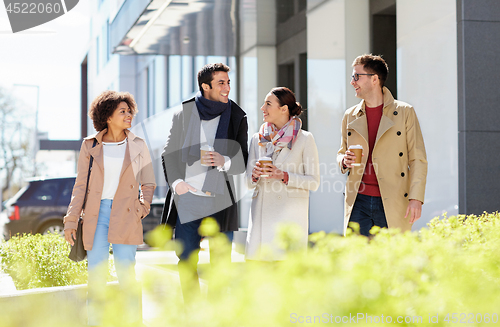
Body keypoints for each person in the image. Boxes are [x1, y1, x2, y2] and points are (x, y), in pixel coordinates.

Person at [64, 90, 156, 325]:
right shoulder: (90, 146)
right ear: (107, 116)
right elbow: (80, 186)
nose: (129, 115)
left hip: (126, 215)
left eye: (129, 111)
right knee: (96, 277)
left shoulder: (138, 145)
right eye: (122, 111)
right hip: (97, 216)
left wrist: (142, 208)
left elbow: (149, 182)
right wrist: (71, 220)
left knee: (127, 276)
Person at [161, 63, 248, 299]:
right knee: (187, 260)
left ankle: (217, 316)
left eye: (228, 82)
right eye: (222, 83)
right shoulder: (184, 113)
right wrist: (177, 182)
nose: (227, 87)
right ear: (205, 86)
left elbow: (244, 161)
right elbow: (168, 153)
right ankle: (193, 313)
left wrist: (224, 160)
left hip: (221, 201)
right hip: (188, 199)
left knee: (221, 264)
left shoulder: (237, 116)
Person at [337, 54, 427, 236]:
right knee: (357, 259)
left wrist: (416, 198)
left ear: (375, 79)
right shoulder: (350, 115)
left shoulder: (404, 112)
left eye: (356, 76)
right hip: (358, 200)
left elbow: (418, 159)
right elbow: (341, 152)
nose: (352, 82)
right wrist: (344, 160)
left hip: (392, 199)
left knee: (391, 258)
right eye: (352, 77)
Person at [246, 87, 320, 260]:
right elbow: (247, 183)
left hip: (289, 220)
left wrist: (283, 175)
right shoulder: (258, 139)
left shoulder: (305, 139)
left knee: (286, 277)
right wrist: (254, 175)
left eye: (268, 104)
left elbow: (313, 182)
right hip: (261, 223)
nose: (262, 108)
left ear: (284, 109)